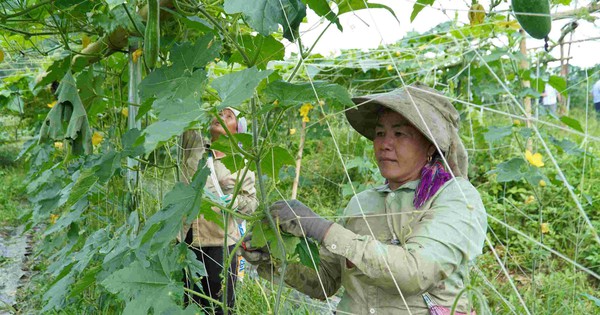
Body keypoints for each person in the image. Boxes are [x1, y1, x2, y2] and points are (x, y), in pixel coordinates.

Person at [241, 83, 487, 315]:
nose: (385, 144)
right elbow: (326, 281)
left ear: (431, 145)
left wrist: (321, 228)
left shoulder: (454, 197)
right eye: (380, 133)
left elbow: (416, 272)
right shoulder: (363, 202)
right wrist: (272, 259)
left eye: (400, 133)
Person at [180, 107, 258, 314]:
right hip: (188, 238)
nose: (220, 117)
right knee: (189, 303)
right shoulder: (194, 146)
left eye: (229, 116)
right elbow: (183, 114)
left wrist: (233, 202)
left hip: (220, 243)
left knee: (219, 306)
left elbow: (252, 204)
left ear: (237, 130)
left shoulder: (242, 162)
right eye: (219, 113)